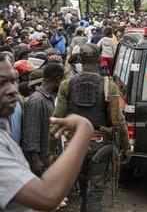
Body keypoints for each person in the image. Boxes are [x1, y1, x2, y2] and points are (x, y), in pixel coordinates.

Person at [0, 52, 93, 211]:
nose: (13, 90)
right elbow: (47, 195)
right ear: (57, 80)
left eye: (13, 81)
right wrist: (84, 129)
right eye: (2, 83)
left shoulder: (4, 127)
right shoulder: (37, 100)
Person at [50, 43, 131, 212]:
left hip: (74, 146)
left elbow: (57, 119)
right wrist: (126, 147)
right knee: (96, 191)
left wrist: (51, 151)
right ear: (99, 60)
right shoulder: (109, 86)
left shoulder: (66, 84)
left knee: (83, 189)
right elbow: (118, 121)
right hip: (99, 146)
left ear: (80, 60)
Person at [22, 63, 65, 176]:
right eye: (62, 80)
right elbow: (32, 132)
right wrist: (36, 160)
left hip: (50, 159)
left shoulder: (49, 98)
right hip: (42, 161)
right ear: (57, 79)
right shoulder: (37, 100)